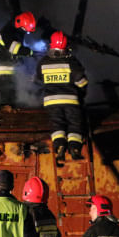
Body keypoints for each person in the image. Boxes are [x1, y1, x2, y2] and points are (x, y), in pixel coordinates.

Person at [34, 31, 88, 164]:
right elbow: (82, 82)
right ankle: (75, 149)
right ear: (66, 46)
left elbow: (37, 81)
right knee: (74, 124)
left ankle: (59, 147)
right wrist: (82, 94)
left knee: (56, 125)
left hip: (51, 102)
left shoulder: (43, 62)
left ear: (51, 45)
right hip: (71, 101)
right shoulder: (71, 61)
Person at [0, 11, 37, 110]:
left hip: (7, 64)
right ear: (20, 25)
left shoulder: (16, 29)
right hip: (0, 66)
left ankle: (10, 110)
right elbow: (14, 49)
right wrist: (30, 52)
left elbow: (15, 52)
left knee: (12, 90)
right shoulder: (7, 32)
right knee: (6, 91)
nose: (26, 32)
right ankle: (5, 114)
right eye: (26, 29)